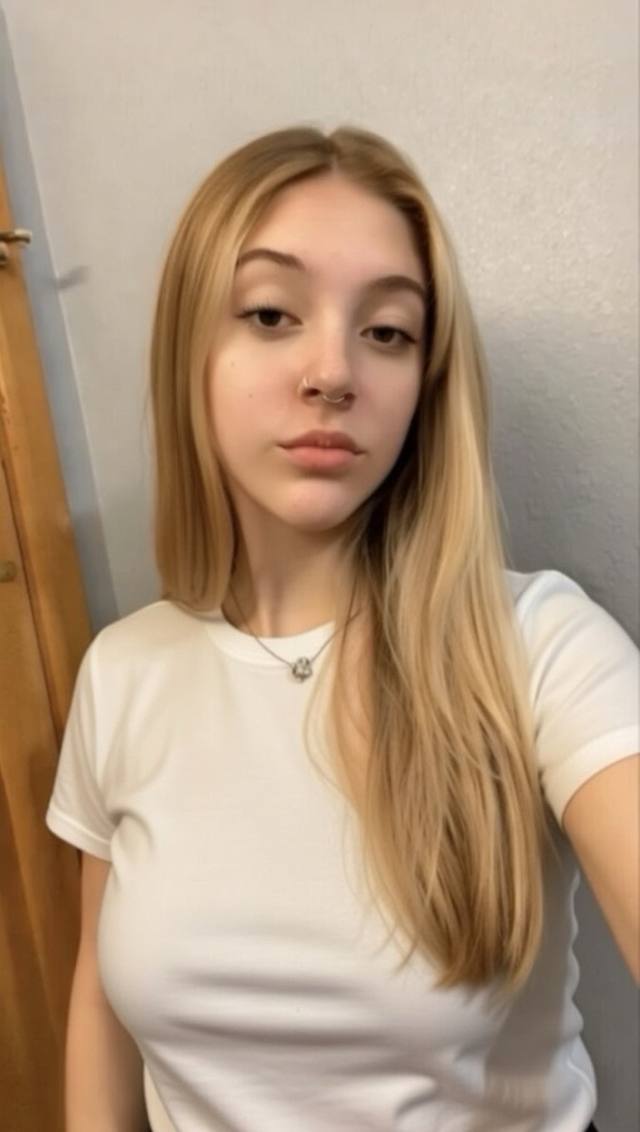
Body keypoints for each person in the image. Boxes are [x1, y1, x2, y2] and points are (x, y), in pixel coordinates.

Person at [45, 124, 638, 1132]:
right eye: (271, 313)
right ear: (193, 350)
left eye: (388, 331)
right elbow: (101, 1013)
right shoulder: (125, 672)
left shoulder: (540, 647)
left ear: (426, 383)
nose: (333, 371)